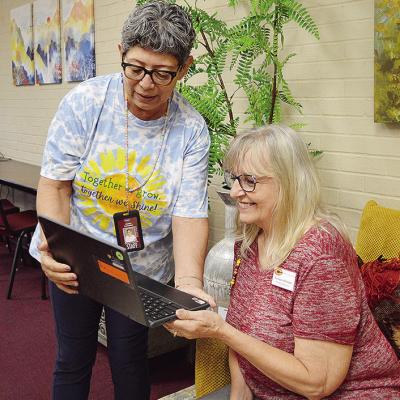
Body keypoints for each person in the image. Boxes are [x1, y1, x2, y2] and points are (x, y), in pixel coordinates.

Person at [29, 2, 214, 399]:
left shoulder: (191, 130)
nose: (147, 83)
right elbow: (56, 185)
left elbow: (189, 213)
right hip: (78, 253)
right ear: (121, 54)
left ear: (184, 68)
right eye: (136, 68)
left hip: (141, 267)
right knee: (72, 358)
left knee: (130, 359)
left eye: (163, 73)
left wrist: (188, 283)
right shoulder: (85, 104)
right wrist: (56, 248)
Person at [166, 125, 400, 399]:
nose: (234, 192)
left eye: (249, 180)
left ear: (289, 182)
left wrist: (221, 331)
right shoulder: (252, 242)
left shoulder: (322, 255)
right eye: (235, 179)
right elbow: (243, 338)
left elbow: (318, 384)